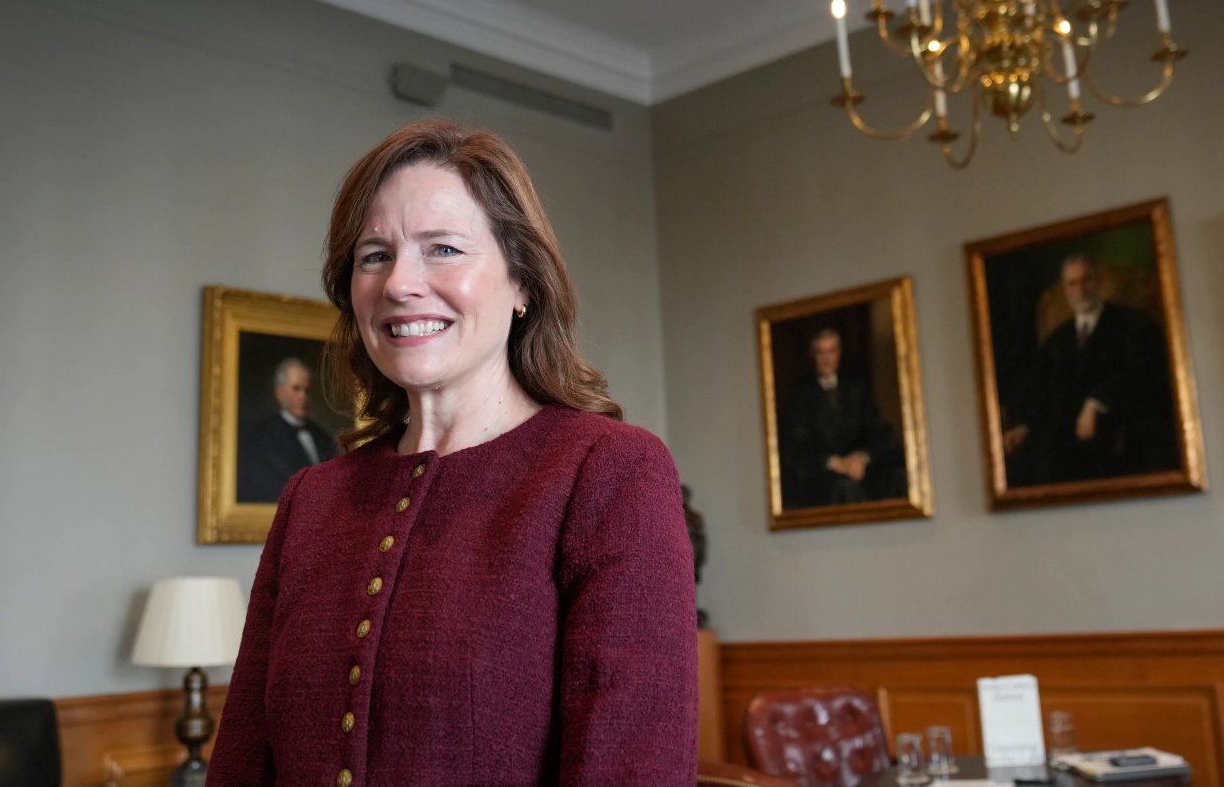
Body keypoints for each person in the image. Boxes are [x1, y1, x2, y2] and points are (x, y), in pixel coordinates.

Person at [208, 122, 698, 785]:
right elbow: (243, 758)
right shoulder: (309, 500)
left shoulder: (608, 471)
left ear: (523, 282)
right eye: (374, 255)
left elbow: (633, 767)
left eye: (442, 249)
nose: (400, 284)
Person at [1001, 254, 1179, 484]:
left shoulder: (1132, 324)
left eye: (1086, 280)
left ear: (1099, 282)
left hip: (1118, 430)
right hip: (1064, 439)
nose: (1080, 290)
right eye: (1072, 284)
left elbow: (1144, 372)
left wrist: (1097, 402)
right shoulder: (1058, 340)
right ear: (1066, 290)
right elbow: (1042, 391)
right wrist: (1025, 427)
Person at [778, 328, 905, 508]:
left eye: (831, 351)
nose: (827, 359)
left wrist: (862, 457)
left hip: (861, 467)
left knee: (897, 476)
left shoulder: (856, 388)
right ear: (813, 356)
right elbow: (796, 447)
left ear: (839, 353)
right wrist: (834, 463)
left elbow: (880, 432)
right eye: (821, 353)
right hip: (823, 474)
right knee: (844, 487)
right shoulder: (800, 395)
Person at [235, 358, 339, 504]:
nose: (303, 397)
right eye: (296, 389)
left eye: (307, 390)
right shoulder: (262, 438)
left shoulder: (322, 436)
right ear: (279, 393)